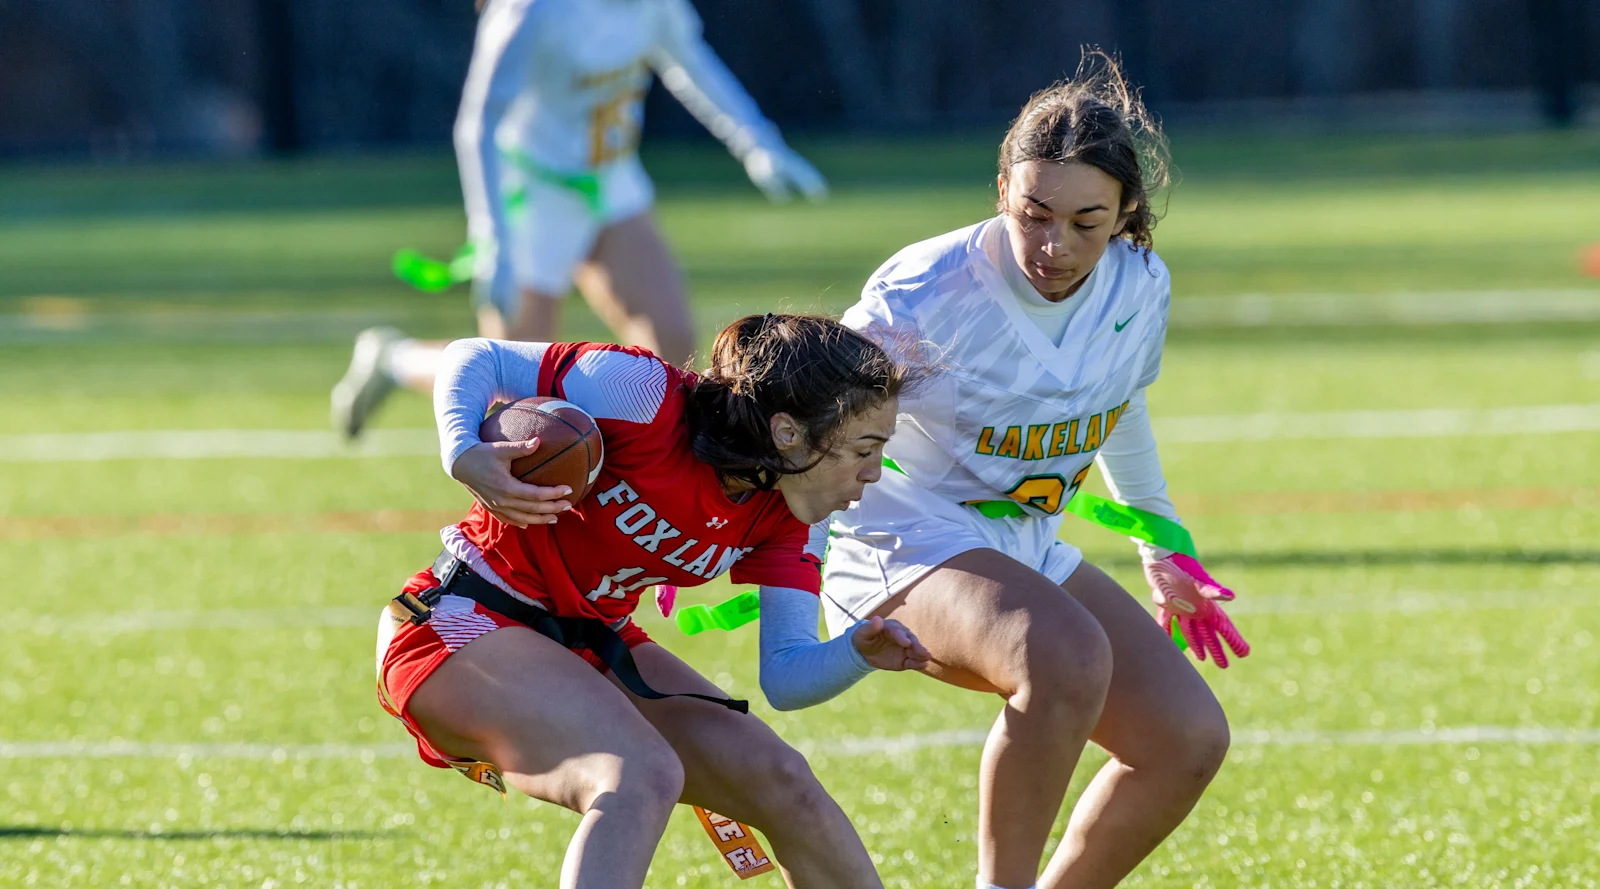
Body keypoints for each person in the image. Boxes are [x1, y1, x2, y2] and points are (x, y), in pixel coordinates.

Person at [820, 53, 1249, 889]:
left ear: (1127, 210)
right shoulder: (926, 288)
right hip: (899, 536)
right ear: (1002, 193)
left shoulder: (1140, 282)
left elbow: (1119, 404)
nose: (1054, 245)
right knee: (1063, 654)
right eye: (1034, 214)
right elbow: (815, 415)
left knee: (1185, 739)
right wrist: (739, 522)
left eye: (1087, 221)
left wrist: (1161, 539)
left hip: (1023, 543)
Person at [375, 314, 930, 889]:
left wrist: (858, 654)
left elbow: (785, 676)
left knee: (781, 779)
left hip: (591, 643)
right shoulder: (644, 396)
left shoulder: (790, 511)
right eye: (866, 448)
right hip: (459, 620)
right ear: (789, 433)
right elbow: (476, 354)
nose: (873, 473)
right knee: (638, 773)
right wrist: (462, 450)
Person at [333, 0, 828, 439]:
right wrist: (493, 237)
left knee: (676, 359)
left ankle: (646, 509)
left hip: (612, 186)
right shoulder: (533, 10)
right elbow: (478, 123)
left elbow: (689, 59)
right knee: (515, 400)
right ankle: (394, 360)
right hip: (533, 197)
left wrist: (757, 143)